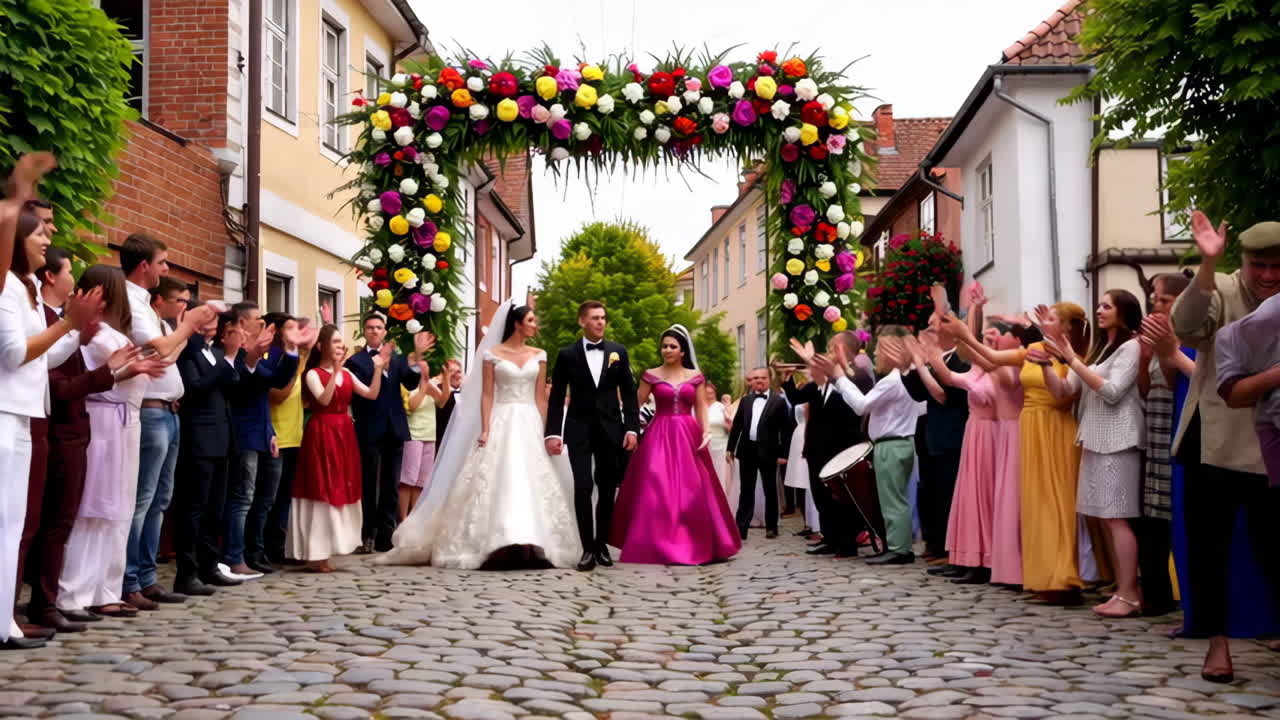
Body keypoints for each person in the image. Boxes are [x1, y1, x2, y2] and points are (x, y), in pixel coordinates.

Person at [380, 304, 582, 569]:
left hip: (529, 419)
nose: (536, 325)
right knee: (501, 476)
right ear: (517, 324)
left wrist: (546, 430)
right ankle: (500, 540)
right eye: (531, 320)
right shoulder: (492, 355)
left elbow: (540, 398)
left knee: (531, 479)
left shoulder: (540, 355)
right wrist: (486, 428)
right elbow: (487, 395)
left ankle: (532, 540)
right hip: (502, 417)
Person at [1170, 212, 1280, 681]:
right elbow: (1188, 327)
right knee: (1209, 549)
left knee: (1273, 548)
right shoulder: (1225, 289)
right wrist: (1208, 265)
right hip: (1214, 441)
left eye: (1278, 266)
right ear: (1245, 261)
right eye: (1260, 265)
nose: (1269, 276)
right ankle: (1217, 644)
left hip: (1272, 446)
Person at [0, 210, 99, 648]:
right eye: (39, 233)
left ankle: (7, 619)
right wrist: (68, 324)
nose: (48, 238)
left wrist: (74, 331)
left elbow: (41, 359)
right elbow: (13, 354)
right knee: (7, 525)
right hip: (6, 414)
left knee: (18, 522)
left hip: (26, 412)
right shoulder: (6, 287)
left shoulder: (27, 293)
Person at [945, 302, 1089, 602]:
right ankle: (1043, 579)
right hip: (1030, 427)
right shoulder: (1034, 348)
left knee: (1056, 504)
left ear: (1066, 328)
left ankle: (1064, 579)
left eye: (1052, 319)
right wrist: (965, 335)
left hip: (1055, 427)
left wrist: (1049, 366)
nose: (1045, 321)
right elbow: (994, 357)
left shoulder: (1074, 356)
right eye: (1045, 317)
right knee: (1035, 504)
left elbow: (1064, 395)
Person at [58, 266, 156, 621]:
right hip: (102, 418)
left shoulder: (112, 332)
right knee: (91, 508)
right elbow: (118, 369)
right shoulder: (95, 334)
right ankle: (74, 592)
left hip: (123, 419)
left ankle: (104, 588)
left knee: (117, 509)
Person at [1040, 290, 1145, 618]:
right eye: (1099, 305)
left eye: (1107, 306)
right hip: (1095, 437)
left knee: (1117, 517)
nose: (1099, 310)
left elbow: (1112, 392)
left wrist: (1071, 360)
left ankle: (1131, 593)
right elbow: (1064, 391)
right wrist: (1047, 365)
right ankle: (1121, 587)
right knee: (1104, 516)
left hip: (1119, 437)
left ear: (1124, 312)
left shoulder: (1132, 346)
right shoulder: (1098, 349)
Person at [610, 326, 741, 565]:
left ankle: (696, 542)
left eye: (672, 346)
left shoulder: (695, 376)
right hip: (659, 433)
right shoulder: (651, 374)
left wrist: (706, 431)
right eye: (664, 346)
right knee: (656, 484)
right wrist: (629, 428)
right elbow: (635, 404)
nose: (667, 350)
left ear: (682, 351)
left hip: (688, 433)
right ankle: (654, 543)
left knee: (693, 487)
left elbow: (701, 406)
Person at [121, 233, 202, 611]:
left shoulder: (150, 310)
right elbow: (158, 349)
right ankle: (130, 578)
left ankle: (147, 575)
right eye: (163, 262)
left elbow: (168, 352)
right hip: (151, 411)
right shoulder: (134, 303)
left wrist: (184, 327)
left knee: (159, 500)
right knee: (142, 499)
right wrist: (189, 325)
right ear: (144, 266)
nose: (167, 269)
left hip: (169, 413)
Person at [544, 301, 641, 571]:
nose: (601, 322)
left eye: (603, 318)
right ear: (582, 321)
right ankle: (586, 548)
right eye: (595, 318)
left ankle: (601, 545)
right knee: (584, 485)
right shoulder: (566, 354)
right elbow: (556, 397)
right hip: (578, 428)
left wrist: (632, 427)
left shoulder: (618, 352)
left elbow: (630, 393)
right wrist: (553, 432)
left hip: (612, 429)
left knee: (608, 487)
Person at [817, 334, 920, 565]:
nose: (874, 354)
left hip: (891, 444)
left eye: (879, 350)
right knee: (895, 498)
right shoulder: (905, 378)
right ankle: (897, 546)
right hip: (900, 442)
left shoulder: (891, 381)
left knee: (892, 500)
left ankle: (899, 549)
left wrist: (840, 378)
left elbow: (861, 406)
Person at [291, 324, 384, 572]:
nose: (340, 347)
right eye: (335, 342)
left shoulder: (348, 375)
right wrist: (335, 372)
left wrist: (377, 370)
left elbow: (371, 394)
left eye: (342, 343)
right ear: (321, 346)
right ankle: (315, 553)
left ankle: (334, 546)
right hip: (322, 430)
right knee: (321, 485)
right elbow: (323, 399)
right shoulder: (313, 374)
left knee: (342, 485)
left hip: (344, 431)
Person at [224, 302, 302, 578]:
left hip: (262, 430)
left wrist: (293, 350)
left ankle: (254, 552)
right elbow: (243, 388)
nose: (261, 322)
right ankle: (235, 555)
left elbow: (276, 381)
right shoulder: (237, 352)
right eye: (256, 318)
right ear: (242, 323)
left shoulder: (259, 352)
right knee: (243, 497)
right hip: (243, 432)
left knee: (262, 498)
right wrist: (253, 356)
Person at [173, 306, 245, 595]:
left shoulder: (213, 353)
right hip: (199, 436)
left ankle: (209, 564)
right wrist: (228, 358)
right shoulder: (189, 351)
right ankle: (186, 572)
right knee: (194, 508)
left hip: (222, 436)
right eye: (209, 318)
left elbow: (232, 383)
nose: (213, 324)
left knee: (216, 508)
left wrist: (235, 359)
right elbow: (196, 386)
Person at [346, 313, 432, 553]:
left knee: (391, 483)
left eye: (379, 327)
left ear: (385, 332)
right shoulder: (355, 362)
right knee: (369, 482)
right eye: (370, 327)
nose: (374, 331)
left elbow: (411, 383)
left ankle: (386, 534)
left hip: (394, 427)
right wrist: (377, 367)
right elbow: (357, 394)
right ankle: (367, 534)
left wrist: (417, 356)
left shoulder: (397, 358)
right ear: (365, 331)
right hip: (369, 427)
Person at [1135, 273, 1194, 617]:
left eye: (1164, 300)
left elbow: (1179, 389)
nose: (1156, 306)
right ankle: (1154, 591)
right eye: (1154, 300)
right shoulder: (1156, 341)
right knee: (1153, 515)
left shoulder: (1187, 340)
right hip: (1155, 429)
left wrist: (1164, 350)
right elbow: (1146, 389)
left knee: (1171, 513)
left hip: (1174, 429)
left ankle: (1169, 590)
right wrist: (1146, 357)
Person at [783, 333, 871, 558]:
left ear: (843, 350)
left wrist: (822, 375)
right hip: (817, 449)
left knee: (842, 499)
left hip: (842, 448)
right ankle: (830, 539)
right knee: (822, 497)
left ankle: (847, 543)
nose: (828, 352)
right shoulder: (823, 382)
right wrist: (787, 379)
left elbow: (851, 410)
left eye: (832, 347)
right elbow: (796, 398)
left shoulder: (857, 376)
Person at [901, 308, 970, 568]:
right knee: (932, 493)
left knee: (948, 493)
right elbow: (919, 394)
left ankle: (950, 549)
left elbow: (943, 394)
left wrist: (922, 363)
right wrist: (912, 365)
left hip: (953, 433)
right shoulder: (937, 359)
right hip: (932, 435)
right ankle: (936, 542)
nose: (927, 332)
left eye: (932, 327)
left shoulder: (959, 360)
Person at [263, 313, 309, 565]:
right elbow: (279, 395)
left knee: (284, 497)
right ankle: (263, 548)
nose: (296, 334)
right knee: (268, 497)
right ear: (278, 332)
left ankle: (279, 547)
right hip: (276, 435)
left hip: (295, 435)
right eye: (290, 328)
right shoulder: (273, 359)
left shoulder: (295, 359)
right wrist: (298, 363)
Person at [727, 367, 792, 541]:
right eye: (755, 378)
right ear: (751, 381)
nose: (759, 381)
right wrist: (730, 448)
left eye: (762, 378)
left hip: (769, 452)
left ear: (769, 379)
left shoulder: (778, 401)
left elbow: (786, 430)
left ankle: (771, 527)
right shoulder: (746, 401)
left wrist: (784, 454)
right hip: (747, 450)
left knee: (770, 490)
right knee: (746, 490)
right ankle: (742, 528)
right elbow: (737, 426)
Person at [399, 343, 444, 521]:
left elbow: (442, 401)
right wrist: (425, 386)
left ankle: (414, 515)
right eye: (420, 368)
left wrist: (446, 380)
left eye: (426, 367)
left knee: (421, 481)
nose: (424, 370)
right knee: (408, 478)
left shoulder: (431, 387)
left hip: (429, 436)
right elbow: (413, 404)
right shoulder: (410, 387)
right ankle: (402, 516)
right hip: (414, 435)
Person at [705, 381, 735, 509]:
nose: (709, 395)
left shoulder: (720, 407)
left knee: (720, 473)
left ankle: (722, 504)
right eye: (706, 393)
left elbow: (731, 427)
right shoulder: (698, 407)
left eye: (711, 393)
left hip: (721, 444)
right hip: (704, 445)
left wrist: (728, 413)